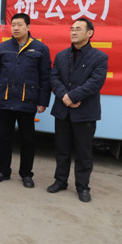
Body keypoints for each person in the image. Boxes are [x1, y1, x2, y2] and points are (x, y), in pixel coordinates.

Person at [0, 13, 51, 188]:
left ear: (28, 27)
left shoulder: (40, 49)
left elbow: (45, 77)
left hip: (27, 101)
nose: (16, 28)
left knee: (27, 140)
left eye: (20, 25)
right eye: (13, 25)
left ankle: (26, 174)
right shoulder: (2, 48)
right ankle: (3, 171)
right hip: (5, 101)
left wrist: (43, 101)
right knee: (4, 138)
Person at [48, 18, 108, 203]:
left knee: (84, 152)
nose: (73, 32)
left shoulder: (99, 57)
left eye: (78, 29)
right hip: (62, 111)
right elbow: (54, 77)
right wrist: (64, 96)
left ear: (89, 33)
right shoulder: (61, 56)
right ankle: (60, 181)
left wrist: (72, 96)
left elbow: (95, 82)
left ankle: (82, 187)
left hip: (85, 112)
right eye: (72, 29)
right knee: (62, 149)